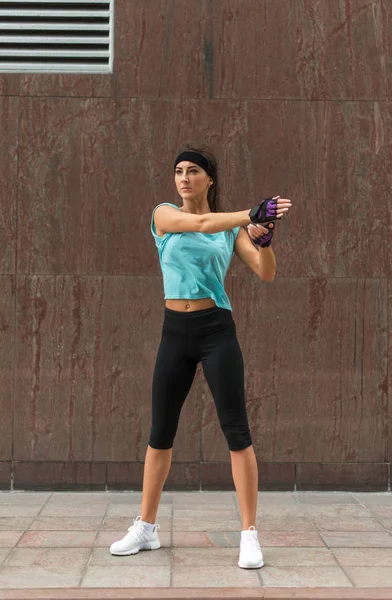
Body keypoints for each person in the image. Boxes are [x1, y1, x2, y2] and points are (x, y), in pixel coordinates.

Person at [110, 144, 292, 569]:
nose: (184, 178)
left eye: (193, 171)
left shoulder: (231, 231)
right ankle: (146, 528)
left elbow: (266, 272)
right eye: (178, 171)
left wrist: (264, 239)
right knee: (161, 431)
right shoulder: (164, 215)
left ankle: (249, 534)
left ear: (210, 178)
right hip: (175, 332)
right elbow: (204, 221)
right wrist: (251, 214)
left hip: (216, 332)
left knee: (236, 430)